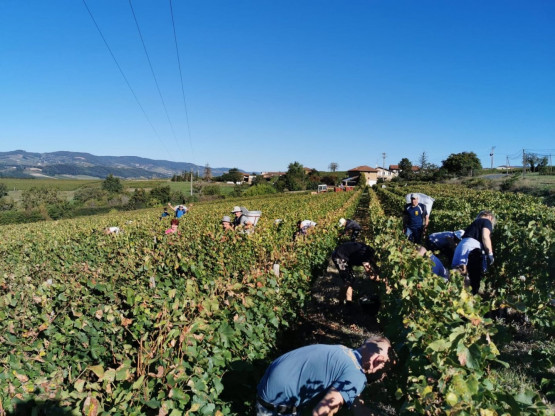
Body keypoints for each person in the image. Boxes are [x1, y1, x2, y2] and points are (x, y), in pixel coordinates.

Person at [256, 335, 392, 416]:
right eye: (384, 368)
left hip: (265, 395)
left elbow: (356, 403)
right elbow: (320, 413)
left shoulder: (343, 352)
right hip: (277, 409)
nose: (383, 374)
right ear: (378, 360)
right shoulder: (356, 375)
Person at [452, 211, 496, 295]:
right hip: (472, 249)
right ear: (489, 216)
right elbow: (485, 237)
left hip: (461, 247)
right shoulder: (486, 221)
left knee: (458, 275)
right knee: (473, 280)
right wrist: (490, 254)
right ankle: (470, 300)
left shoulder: (474, 223)